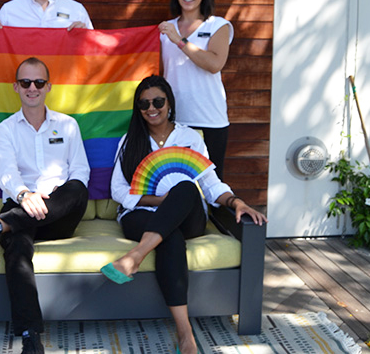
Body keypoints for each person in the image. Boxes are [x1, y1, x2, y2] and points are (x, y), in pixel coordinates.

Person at [101, 75, 266, 354]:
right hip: (141, 214)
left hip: (188, 215)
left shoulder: (190, 137)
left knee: (187, 188)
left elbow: (211, 185)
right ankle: (185, 333)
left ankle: (135, 256)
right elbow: (118, 190)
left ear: (169, 104)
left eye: (158, 101)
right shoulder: (131, 141)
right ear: (138, 108)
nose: (151, 108)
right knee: (170, 236)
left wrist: (236, 201)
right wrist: (160, 199)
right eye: (144, 103)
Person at [0, 57, 90, 354]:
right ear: (15, 87)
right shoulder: (5, 129)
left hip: (60, 212)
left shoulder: (68, 125)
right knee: (17, 252)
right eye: (26, 82)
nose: (33, 88)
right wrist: (24, 195)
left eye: (39, 82)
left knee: (78, 188)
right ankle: (30, 336)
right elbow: (7, 173)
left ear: (49, 87)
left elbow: (81, 171)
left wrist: (52, 196)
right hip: (20, 206)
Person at [158, 0, 232, 179]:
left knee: (213, 185)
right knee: (176, 181)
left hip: (209, 119)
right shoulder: (167, 29)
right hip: (175, 119)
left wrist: (180, 41)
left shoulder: (218, 25)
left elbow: (215, 63)